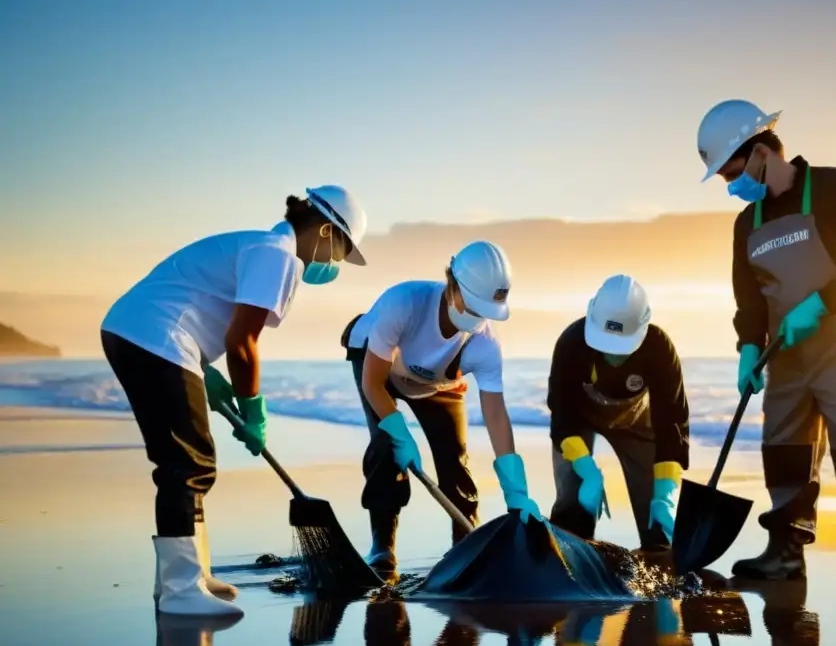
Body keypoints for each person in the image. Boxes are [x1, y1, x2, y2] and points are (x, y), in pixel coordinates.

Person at [100, 185, 368, 617]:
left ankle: (194, 576)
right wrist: (253, 409)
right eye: (340, 249)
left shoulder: (261, 246)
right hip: (156, 337)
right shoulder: (277, 254)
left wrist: (205, 372)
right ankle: (180, 590)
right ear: (325, 230)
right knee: (186, 464)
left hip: (145, 333)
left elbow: (197, 302)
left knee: (190, 460)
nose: (335, 262)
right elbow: (242, 342)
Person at [696, 99, 836, 616]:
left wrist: (820, 303)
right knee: (785, 450)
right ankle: (785, 555)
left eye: (731, 172)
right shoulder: (746, 224)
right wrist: (749, 349)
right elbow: (749, 299)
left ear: (759, 153)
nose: (730, 185)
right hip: (786, 354)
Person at [341, 240, 543, 575]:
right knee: (386, 447)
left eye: (484, 311)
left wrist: (516, 489)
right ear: (452, 283)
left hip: (436, 382)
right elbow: (372, 384)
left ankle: (466, 549)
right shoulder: (404, 303)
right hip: (380, 369)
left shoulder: (485, 345)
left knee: (454, 459)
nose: (477, 317)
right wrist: (399, 432)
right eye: (472, 305)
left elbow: (495, 414)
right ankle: (382, 548)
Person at [546, 274, 690, 552]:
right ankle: (569, 553)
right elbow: (562, 416)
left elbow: (672, 422)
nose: (613, 355)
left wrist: (665, 492)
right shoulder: (571, 343)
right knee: (572, 505)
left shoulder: (659, 347)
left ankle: (657, 554)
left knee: (656, 521)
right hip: (578, 422)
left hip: (636, 423)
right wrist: (586, 468)